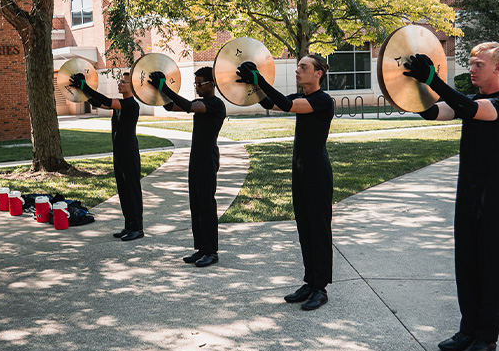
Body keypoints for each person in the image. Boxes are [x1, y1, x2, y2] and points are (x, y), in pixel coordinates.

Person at [403, 42, 499, 351]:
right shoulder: (468, 100)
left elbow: (473, 112)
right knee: (466, 263)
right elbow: (433, 112)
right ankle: (468, 329)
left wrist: (434, 80)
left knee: (491, 266)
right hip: (467, 193)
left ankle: (486, 336)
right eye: (470, 63)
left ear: (498, 68)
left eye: (478, 64)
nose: (471, 69)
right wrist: (408, 87)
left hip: (495, 195)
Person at [237, 55, 335, 311]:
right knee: (304, 228)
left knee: (319, 230)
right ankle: (310, 282)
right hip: (300, 172)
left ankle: (320, 288)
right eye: (298, 66)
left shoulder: (323, 101)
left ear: (318, 74)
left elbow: (285, 104)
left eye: (304, 67)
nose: (298, 70)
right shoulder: (300, 97)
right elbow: (271, 103)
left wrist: (261, 78)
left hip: (317, 174)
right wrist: (253, 84)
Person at [149, 66, 225, 267]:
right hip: (196, 159)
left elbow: (189, 106)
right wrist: (159, 90)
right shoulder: (201, 103)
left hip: (208, 159)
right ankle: (201, 248)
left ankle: (212, 251)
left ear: (211, 84)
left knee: (207, 204)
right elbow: (171, 106)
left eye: (200, 84)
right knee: (196, 204)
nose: (197, 88)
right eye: (196, 84)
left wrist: (165, 87)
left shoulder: (216, 104)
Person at [69, 71, 144, 241]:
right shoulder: (120, 104)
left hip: (129, 153)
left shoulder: (131, 104)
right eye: (120, 81)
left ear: (132, 86)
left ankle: (138, 228)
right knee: (123, 191)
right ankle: (128, 226)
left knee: (132, 191)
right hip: (119, 153)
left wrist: (85, 86)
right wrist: (82, 91)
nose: (119, 83)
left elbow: (106, 100)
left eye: (123, 82)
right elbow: (98, 102)